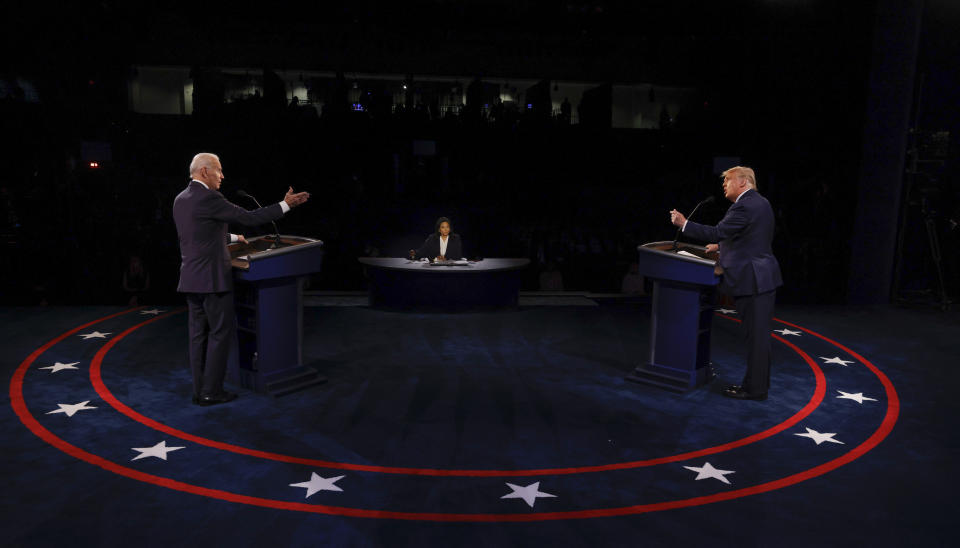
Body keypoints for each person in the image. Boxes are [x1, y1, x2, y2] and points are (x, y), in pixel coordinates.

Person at [173, 153, 309, 406]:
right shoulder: (210, 197)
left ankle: (198, 389)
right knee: (218, 334)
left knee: (197, 337)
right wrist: (286, 204)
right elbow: (250, 217)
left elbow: (199, 236)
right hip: (212, 280)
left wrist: (235, 239)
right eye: (219, 171)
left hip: (191, 279)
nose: (222, 176)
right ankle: (211, 392)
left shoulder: (181, 199)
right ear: (204, 172)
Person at [670, 166, 782, 401]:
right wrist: (722, 247)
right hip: (761, 277)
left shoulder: (744, 205)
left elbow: (718, 231)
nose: (724, 185)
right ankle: (755, 386)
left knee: (757, 339)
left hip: (753, 280)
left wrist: (684, 224)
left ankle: (755, 390)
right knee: (757, 338)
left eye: (728, 181)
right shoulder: (760, 203)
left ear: (743, 182)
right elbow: (752, 237)